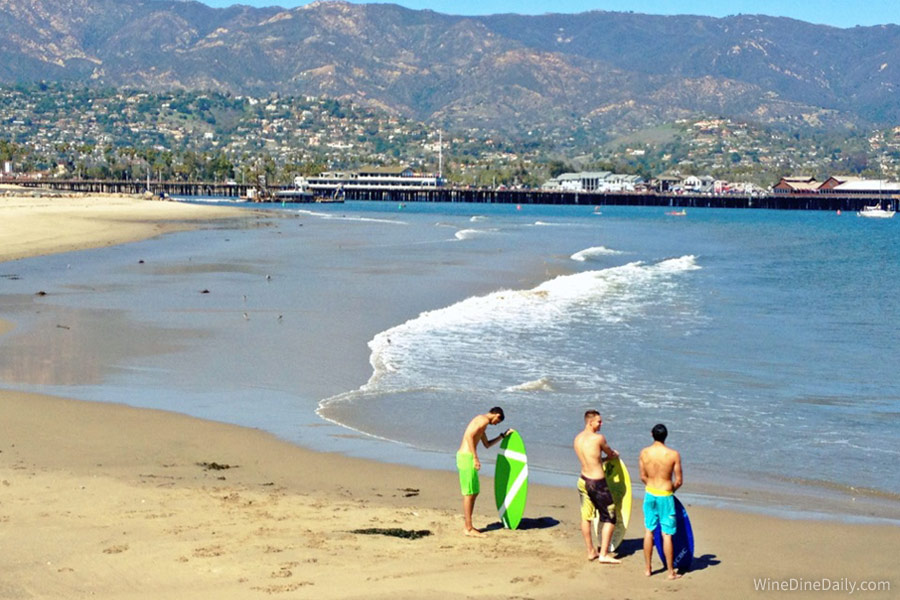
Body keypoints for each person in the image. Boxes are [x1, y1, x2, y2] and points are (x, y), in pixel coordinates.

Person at [573, 409, 621, 563]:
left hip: (583, 480)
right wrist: (614, 455)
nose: (601, 423)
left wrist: (604, 460)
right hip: (597, 484)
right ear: (590, 422)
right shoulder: (598, 438)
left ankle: (591, 551)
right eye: (599, 421)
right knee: (610, 517)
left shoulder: (577, 439)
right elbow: (610, 453)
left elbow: (593, 459)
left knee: (586, 517)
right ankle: (603, 554)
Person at [456, 407, 511, 536]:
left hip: (466, 457)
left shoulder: (482, 423)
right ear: (497, 415)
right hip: (466, 457)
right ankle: (468, 528)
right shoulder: (483, 420)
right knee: (469, 493)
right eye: (498, 421)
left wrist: (502, 436)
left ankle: (469, 526)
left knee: (474, 492)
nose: (496, 424)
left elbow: (487, 444)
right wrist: (475, 457)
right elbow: (469, 436)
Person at [639, 423, 683, 580]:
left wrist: (652, 487)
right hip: (665, 495)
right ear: (666, 436)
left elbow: (643, 476)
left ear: (652, 434)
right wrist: (671, 491)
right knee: (666, 534)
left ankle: (647, 569)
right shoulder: (673, 454)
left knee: (649, 530)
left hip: (650, 493)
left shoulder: (644, 452)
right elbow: (678, 481)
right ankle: (670, 572)